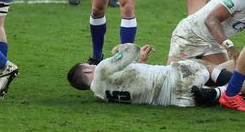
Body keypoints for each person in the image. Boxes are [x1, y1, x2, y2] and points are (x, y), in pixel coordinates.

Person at [68, 43, 212, 107]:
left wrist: (140, 61)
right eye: (90, 65)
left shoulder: (100, 95)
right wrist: (119, 48)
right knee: (206, 66)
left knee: (210, 86)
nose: (94, 65)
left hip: (179, 102)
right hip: (177, 78)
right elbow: (132, 49)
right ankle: (229, 86)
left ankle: (219, 93)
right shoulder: (101, 70)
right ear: (88, 71)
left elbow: (131, 83)